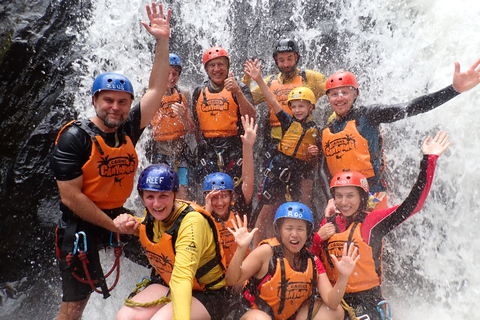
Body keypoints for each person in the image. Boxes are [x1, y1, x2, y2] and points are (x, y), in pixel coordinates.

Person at [50, 3, 171, 320]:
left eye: (122, 102)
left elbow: (157, 89)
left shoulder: (129, 127)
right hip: (80, 224)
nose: (115, 107)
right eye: (108, 100)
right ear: (95, 100)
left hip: (117, 215)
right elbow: (70, 197)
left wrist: (162, 42)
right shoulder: (74, 138)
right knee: (73, 309)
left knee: (164, 255)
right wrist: (112, 224)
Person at [311, 131, 451, 319]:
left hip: (365, 300)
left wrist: (428, 160)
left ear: (362, 198)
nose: (344, 202)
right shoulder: (327, 223)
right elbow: (309, 259)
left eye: (350, 196)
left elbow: (413, 204)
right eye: (339, 196)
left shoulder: (372, 223)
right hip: (333, 298)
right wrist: (318, 239)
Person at [321, 59, 480, 213]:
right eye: (334, 94)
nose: (339, 98)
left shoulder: (369, 115)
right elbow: (324, 169)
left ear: (355, 94)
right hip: (341, 199)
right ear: (328, 98)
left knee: (367, 237)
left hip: (372, 193)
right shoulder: (326, 130)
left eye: (345, 92)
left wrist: (453, 90)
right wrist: (330, 199)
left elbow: (411, 107)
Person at [113, 164, 228, 320]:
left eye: (163, 196)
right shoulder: (152, 215)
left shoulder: (192, 223)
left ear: (175, 194)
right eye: (150, 197)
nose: (157, 204)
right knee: (125, 317)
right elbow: (160, 233)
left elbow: (182, 278)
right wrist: (131, 226)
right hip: (168, 285)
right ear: (142, 197)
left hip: (206, 293)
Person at [225, 203, 359, 320]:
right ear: (279, 231)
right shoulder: (266, 252)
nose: (294, 234)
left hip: (291, 316)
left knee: (335, 312)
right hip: (255, 313)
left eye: (300, 229)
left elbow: (332, 302)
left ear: (307, 233)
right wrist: (241, 249)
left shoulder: (312, 261)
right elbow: (232, 280)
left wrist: (343, 277)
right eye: (289, 228)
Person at [244, 60, 320, 246]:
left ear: (310, 108)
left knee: (295, 211)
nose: (297, 110)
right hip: (277, 170)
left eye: (302, 106)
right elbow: (272, 99)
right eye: (294, 106)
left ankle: (296, 247)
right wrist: (259, 79)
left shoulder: (316, 131)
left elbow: (315, 162)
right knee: (264, 210)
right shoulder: (287, 121)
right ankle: (253, 249)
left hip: (296, 174)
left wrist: (315, 153)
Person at [242, 38, 327, 152]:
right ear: (276, 60)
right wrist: (246, 79)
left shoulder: (310, 78)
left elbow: (334, 91)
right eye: (281, 60)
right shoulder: (269, 82)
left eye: (289, 59)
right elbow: (245, 100)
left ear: (296, 58)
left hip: (302, 140)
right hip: (276, 143)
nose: (286, 64)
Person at [192, 46, 256, 194]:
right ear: (206, 69)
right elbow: (196, 126)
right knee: (210, 193)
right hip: (208, 150)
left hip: (233, 148)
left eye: (221, 64)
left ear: (227, 66)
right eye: (212, 65)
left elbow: (251, 117)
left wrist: (238, 92)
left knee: (236, 193)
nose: (217, 69)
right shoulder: (198, 91)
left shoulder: (240, 88)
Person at [202, 115, 257, 268]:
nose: (220, 203)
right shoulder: (199, 216)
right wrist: (207, 210)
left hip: (240, 272)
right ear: (206, 198)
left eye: (224, 196)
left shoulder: (239, 208)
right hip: (215, 275)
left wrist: (247, 147)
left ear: (232, 196)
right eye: (214, 197)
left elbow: (247, 180)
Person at [149, 52, 195, 200]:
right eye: (166, 73)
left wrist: (184, 116)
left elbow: (193, 129)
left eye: (174, 73)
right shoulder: (151, 94)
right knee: (160, 191)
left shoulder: (184, 94)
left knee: (182, 191)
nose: (171, 78)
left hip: (179, 151)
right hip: (159, 151)